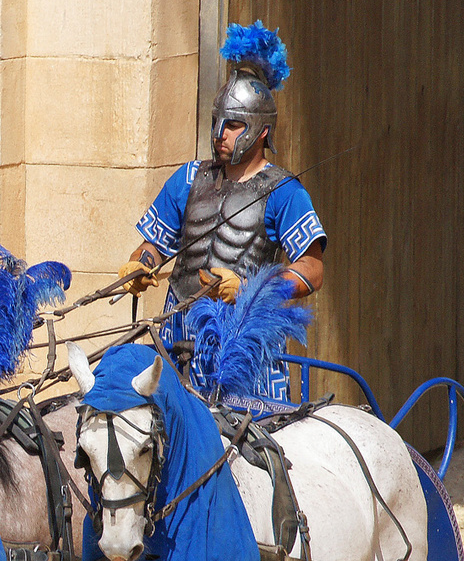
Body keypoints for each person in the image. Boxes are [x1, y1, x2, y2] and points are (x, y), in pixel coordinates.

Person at [119, 21, 325, 402]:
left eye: (232, 125)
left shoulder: (284, 191)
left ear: (260, 130)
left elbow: (313, 269)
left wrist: (250, 289)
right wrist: (139, 264)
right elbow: (153, 245)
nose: (219, 134)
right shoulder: (187, 178)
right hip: (177, 327)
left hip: (244, 332)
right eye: (217, 122)